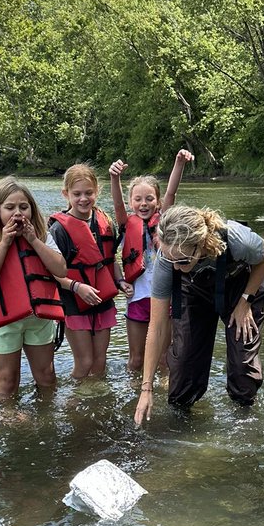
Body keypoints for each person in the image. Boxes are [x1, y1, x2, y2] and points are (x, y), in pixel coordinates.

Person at [134, 204, 264, 424]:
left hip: (242, 284)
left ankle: (245, 420)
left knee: (241, 368)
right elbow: (157, 326)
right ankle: (182, 423)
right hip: (195, 289)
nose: (176, 268)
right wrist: (146, 388)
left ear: (200, 246)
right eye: (171, 261)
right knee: (183, 372)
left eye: (181, 261)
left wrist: (245, 301)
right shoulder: (168, 259)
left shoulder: (238, 240)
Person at [0, 177, 67, 399]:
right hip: (0, 318)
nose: (17, 213)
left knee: (47, 376)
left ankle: (46, 414)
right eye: (9, 208)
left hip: (38, 317)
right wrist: (4, 242)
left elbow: (61, 269)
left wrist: (33, 239)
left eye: (23, 207)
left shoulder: (42, 234)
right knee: (7, 380)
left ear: (32, 209)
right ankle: (7, 420)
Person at [109, 148, 194, 372]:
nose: (143, 203)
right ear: (130, 202)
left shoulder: (164, 220)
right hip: (137, 297)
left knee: (165, 359)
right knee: (136, 360)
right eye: (138, 199)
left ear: (157, 202)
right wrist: (114, 177)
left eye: (149, 199)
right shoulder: (126, 223)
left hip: (164, 298)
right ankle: (134, 398)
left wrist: (179, 163)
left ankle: (163, 399)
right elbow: (117, 204)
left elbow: (171, 194)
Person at [48, 164, 125, 380]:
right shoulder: (58, 229)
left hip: (103, 298)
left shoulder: (105, 221)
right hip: (74, 300)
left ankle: (95, 404)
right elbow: (52, 271)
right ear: (66, 194)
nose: (84, 199)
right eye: (77, 194)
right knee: (85, 362)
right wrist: (77, 287)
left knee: (100, 361)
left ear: (97, 191)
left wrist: (120, 280)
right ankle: (73, 409)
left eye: (89, 193)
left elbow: (110, 260)